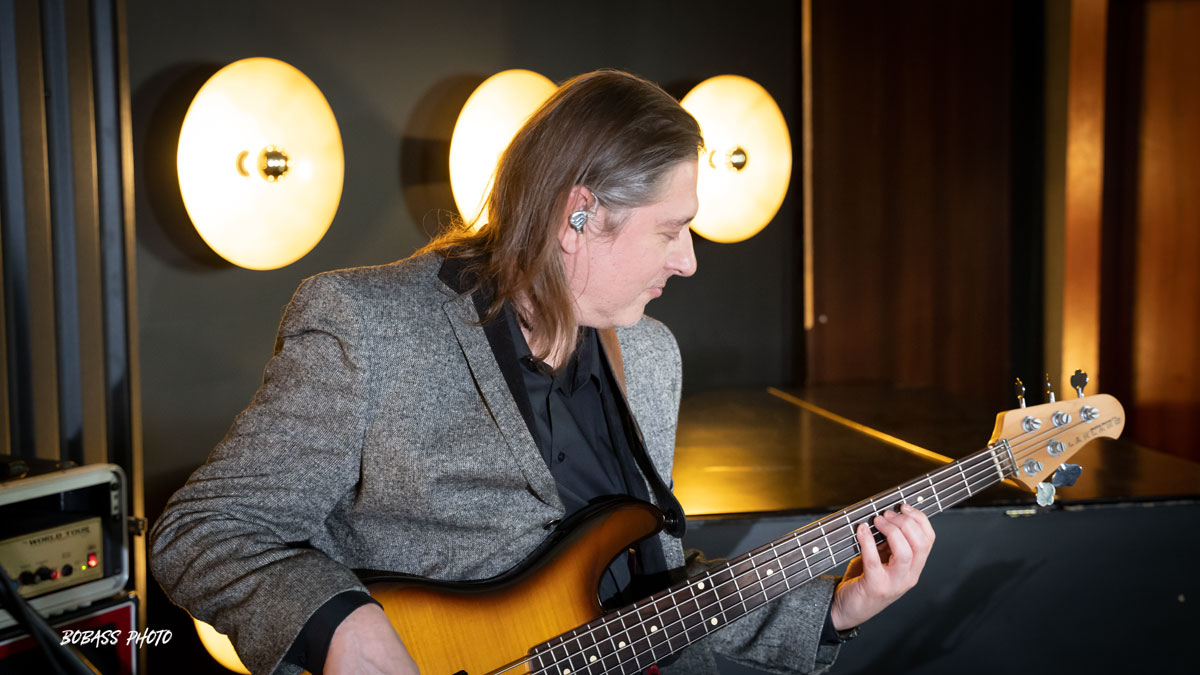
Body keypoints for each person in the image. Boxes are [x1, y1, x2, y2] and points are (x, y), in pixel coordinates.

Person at [150, 69, 934, 675]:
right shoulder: (367, 323)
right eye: (672, 229)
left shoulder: (650, 358)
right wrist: (340, 624)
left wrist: (838, 607)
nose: (689, 260)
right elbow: (203, 529)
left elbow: (649, 592)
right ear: (578, 216)